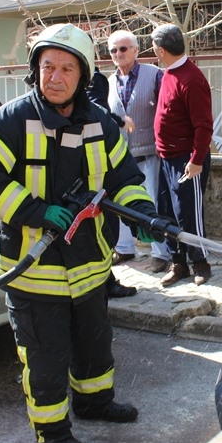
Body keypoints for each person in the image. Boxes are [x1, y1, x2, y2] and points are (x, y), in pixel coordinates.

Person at [0, 24, 157, 443]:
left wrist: (143, 215)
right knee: (45, 356)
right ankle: (51, 429)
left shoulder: (101, 123)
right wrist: (36, 211)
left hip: (89, 266)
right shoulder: (11, 121)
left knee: (95, 343)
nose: (55, 76)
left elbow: (124, 179)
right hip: (33, 273)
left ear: (83, 75)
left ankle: (95, 403)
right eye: (47, 66)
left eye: (66, 67)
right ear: (36, 71)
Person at [150, 23, 213, 286]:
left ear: (162, 50)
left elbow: (204, 125)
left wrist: (196, 160)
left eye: (154, 47)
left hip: (187, 159)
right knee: (167, 212)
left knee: (189, 213)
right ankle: (178, 264)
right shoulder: (168, 73)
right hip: (166, 157)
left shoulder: (192, 78)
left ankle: (200, 264)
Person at [106, 30, 171, 273]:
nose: (118, 54)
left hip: (150, 152)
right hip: (120, 157)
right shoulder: (109, 82)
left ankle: (160, 253)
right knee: (119, 203)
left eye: (123, 49)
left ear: (135, 50)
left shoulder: (153, 75)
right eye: (113, 50)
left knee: (152, 203)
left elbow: (168, 108)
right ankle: (124, 248)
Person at [86, 65, 138, 299]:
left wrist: (141, 212)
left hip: (98, 169)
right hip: (91, 171)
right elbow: (95, 107)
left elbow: (126, 177)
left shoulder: (92, 77)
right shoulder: (95, 78)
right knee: (104, 230)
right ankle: (105, 282)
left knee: (106, 230)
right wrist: (117, 119)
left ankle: (104, 280)